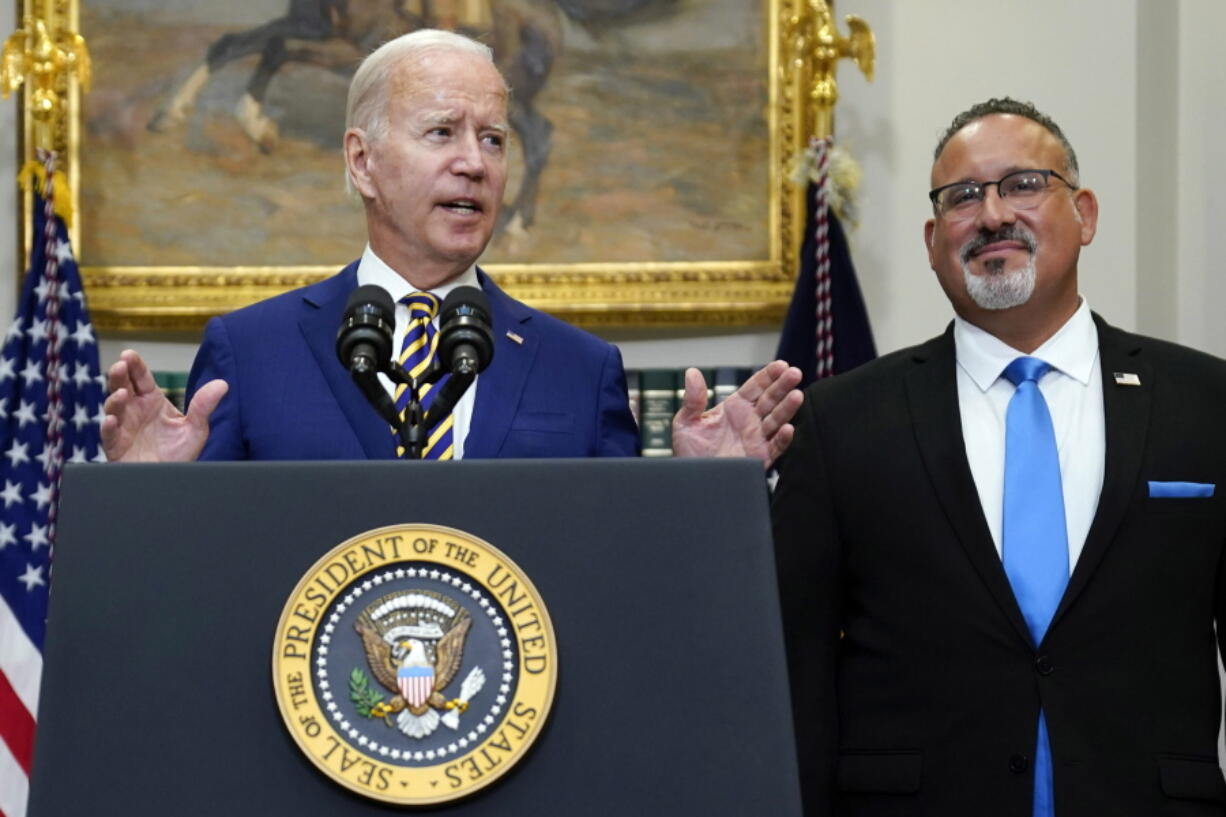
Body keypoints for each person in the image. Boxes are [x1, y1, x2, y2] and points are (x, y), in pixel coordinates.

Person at [772, 97, 1226, 816]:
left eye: (1022, 184)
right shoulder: (841, 421)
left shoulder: (1208, 402)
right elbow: (796, 672)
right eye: (962, 197)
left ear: (1085, 215)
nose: (990, 215)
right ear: (932, 240)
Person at [102, 29, 801, 465]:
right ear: (362, 161)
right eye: (442, 132)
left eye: (493, 139)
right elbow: (192, 587)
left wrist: (712, 490)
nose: (475, 162)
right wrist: (144, 496)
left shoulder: (581, 371)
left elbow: (616, 586)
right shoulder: (251, 354)